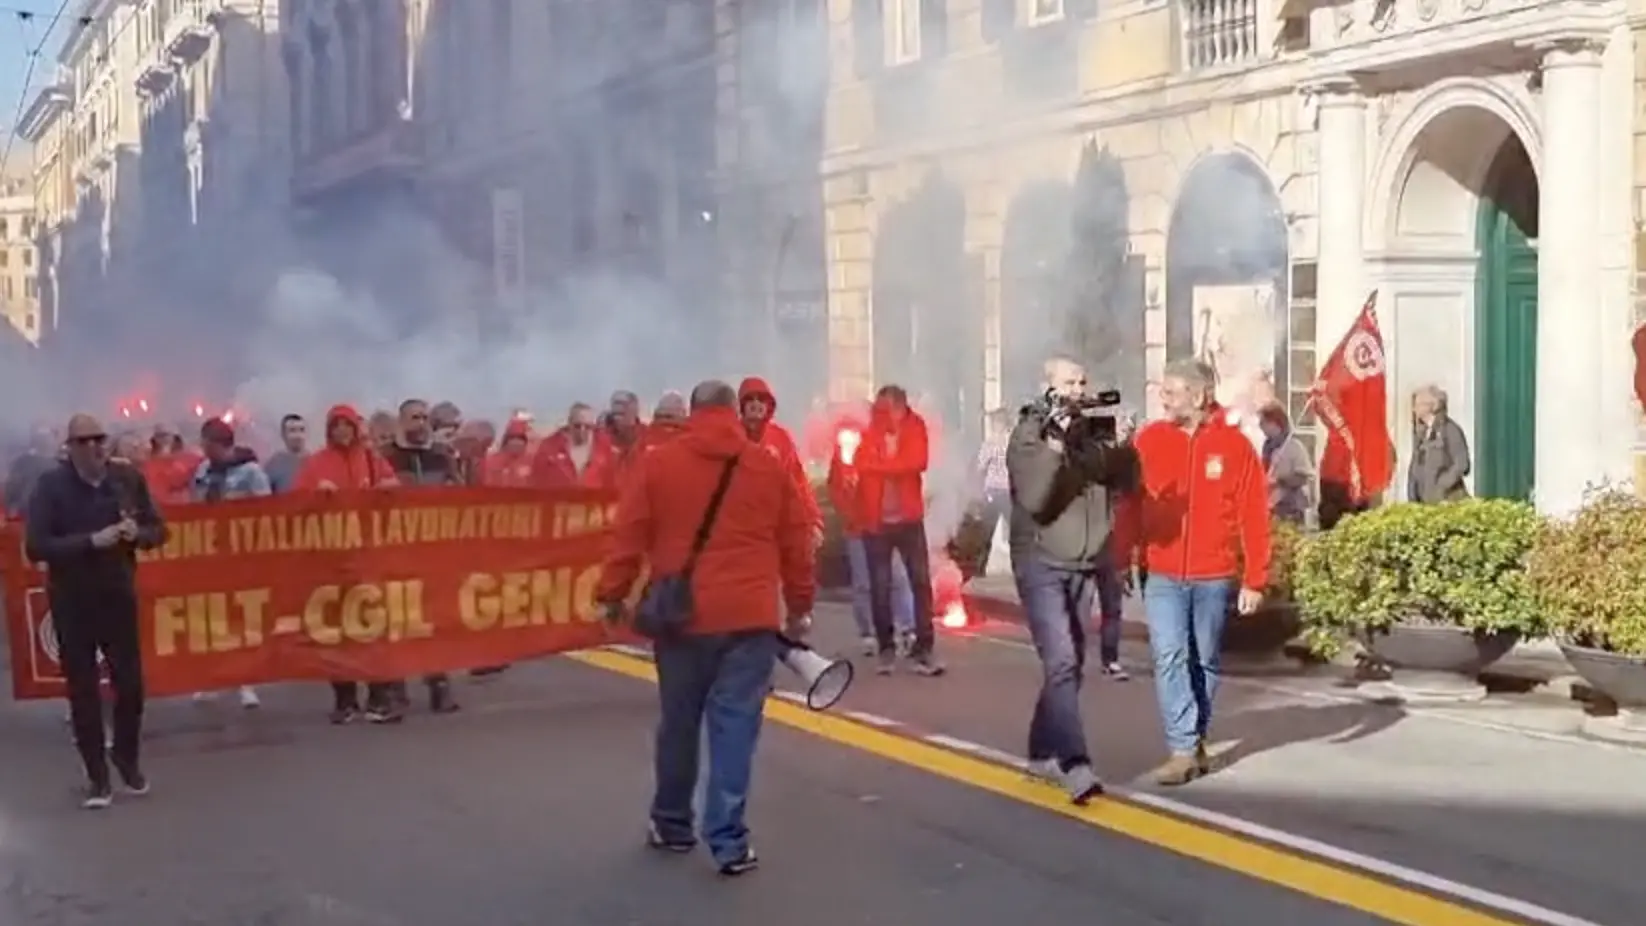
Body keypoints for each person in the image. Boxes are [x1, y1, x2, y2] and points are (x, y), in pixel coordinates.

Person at [595, 380, 815, 876]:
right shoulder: (767, 465)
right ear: (734, 412)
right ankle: (729, 840)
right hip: (750, 618)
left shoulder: (659, 463)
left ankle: (673, 824)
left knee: (679, 721)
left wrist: (611, 595)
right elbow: (796, 541)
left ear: (692, 413)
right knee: (735, 726)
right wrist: (799, 605)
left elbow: (628, 536)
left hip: (682, 617)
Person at [1120, 360, 1270, 786]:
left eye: (1172, 391)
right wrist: (1122, 556)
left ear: (1200, 396)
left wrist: (1255, 578)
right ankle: (1182, 747)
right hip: (1162, 572)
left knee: (1203, 660)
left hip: (1214, 574)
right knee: (1169, 656)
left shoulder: (1235, 446)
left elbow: (1254, 515)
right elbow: (1130, 503)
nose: (1163, 399)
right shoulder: (1148, 440)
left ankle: (1196, 737)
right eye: (1163, 391)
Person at [1005, 357, 1133, 804]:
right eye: (1067, 383)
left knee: (1071, 662)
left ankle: (1041, 753)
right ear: (1047, 388)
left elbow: (1126, 483)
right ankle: (1076, 764)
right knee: (1060, 659)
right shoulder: (1028, 434)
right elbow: (1037, 498)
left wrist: (1125, 445)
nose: (1078, 389)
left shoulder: (1092, 432)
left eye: (1082, 381)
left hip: (1082, 559)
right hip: (1039, 559)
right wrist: (1055, 445)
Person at [25, 413, 167, 808]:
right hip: (71, 598)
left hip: (117, 593)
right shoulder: (51, 487)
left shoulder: (126, 480)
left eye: (99, 440)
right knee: (83, 689)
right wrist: (91, 541)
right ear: (70, 448)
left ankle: (126, 755)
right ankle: (96, 777)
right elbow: (36, 546)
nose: (93, 448)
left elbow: (159, 529)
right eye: (83, 442)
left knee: (131, 685)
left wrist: (138, 534)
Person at [293, 405, 399, 722]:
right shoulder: (316, 464)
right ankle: (345, 699)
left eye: (347, 425)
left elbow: (395, 488)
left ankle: (379, 698)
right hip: (332, 561)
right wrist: (316, 494)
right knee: (336, 631)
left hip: (368, 558)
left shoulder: (371, 460)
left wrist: (389, 489)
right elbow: (297, 503)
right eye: (336, 425)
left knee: (373, 627)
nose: (342, 430)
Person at [844, 384, 944, 676]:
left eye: (885, 408)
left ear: (900, 408)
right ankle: (886, 648)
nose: (880, 414)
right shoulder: (871, 431)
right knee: (879, 586)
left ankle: (923, 649)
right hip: (876, 521)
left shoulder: (915, 427)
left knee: (920, 583)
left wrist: (880, 466)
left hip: (909, 519)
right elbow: (861, 462)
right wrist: (889, 466)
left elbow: (917, 462)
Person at [379, 398, 462, 718]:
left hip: (433, 552)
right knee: (397, 620)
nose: (422, 423)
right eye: (415, 417)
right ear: (402, 421)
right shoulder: (386, 458)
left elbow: (462, 495)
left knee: (434, 620)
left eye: (425, 417)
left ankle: (439, 685)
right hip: (396, 551)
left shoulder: (441, 457)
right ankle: (396, 689)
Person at [187, 417, 269, 709]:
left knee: (242, 617)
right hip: (211, 554)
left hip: (241, 554)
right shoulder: (202, 471)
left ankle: (247, 682)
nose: (203, 448)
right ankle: (213, 678)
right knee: (212, 616)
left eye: (207, 443)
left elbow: (268, 510)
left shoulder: (250, 472)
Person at [826, 402, 916, 656]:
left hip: (884, 524)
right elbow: (836, 488)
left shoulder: (879, 446)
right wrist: (849, 508)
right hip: (857, 528)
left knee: (896, 578)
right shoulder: (842, 452)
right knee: (864, 582)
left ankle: (907, 627)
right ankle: (869, 632)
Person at [737, 377, 822, 539]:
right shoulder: (731, 436)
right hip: (740, 525)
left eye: (761, 399)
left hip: (775, 525)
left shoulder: (781, 438)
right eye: (750, 399)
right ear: (742, 405)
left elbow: (798, 481)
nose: (756, 404)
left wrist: (813, 520)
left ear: (769, 404)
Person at [1408, 384, 1471, 503]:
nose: (1414, 410)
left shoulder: (1450, 430)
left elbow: (1462, 464)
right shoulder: (1421, 433)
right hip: (1425, 501)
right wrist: (1413, 493)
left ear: (1431, 406)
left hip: (1448, 501)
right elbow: (1415, 465)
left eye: (1417, 405)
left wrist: (1442, 486)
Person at [534, 402, 618, 488]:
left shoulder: (604, 447)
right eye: (577, 426)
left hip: (593, 500)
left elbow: (613, 482)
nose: (582, 430)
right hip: (560, 500)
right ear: (569, 422)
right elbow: (536, 482)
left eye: (588, 427)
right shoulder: (549, 447)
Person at [1257, 402, 1313, 525]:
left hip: (1291, 507)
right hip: (1272, 506)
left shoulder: (1294, 446)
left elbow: (1302, 477)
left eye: (1263, 423)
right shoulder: (1267, 448)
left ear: (1274, 423)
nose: (1260, 427)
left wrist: (1279, 480)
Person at [263, 413, 309, 493]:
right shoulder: (274, 464)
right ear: (283, 435)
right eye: (292, 431)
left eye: (302, 430)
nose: (298, 436)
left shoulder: (315, 462)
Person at [481, 419, 535, 487]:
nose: (516, 443)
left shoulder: (531, 461)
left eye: (520, 438)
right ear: (506, 442)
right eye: (513, 438)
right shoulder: (491, 460)